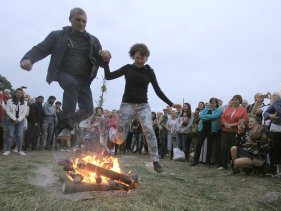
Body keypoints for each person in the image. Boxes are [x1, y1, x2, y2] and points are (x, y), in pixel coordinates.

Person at [20, 7, 111, 140]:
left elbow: (101, 61)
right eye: (78, 20)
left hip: (84, 79)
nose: (81, 23)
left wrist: (105, 56)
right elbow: (41, 48)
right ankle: (67, 126)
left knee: (88, 110)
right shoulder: (57, 36)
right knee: (71, 84)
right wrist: (28, 59)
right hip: (63, 73)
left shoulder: (93, 40)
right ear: (70, 19)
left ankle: (67, 123)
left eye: (84, 21)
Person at [103, 43, 180, 173]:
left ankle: (156, 162)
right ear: (133, 56)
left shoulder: (149, 71)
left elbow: (158, 90)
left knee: (149, 129)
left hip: (143, 106)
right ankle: (112, 139)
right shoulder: (128, 68)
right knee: (120, 139)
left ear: (146, 58)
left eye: (142, 58)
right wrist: (106, 63)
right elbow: (108, 76)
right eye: (137, 58)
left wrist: (171, 104)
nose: (139, 61)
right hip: (127, 105)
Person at [219, 95, 248, 170]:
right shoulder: (228, 108)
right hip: (225, 130)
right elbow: (222, 117)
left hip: (234, 132)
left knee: (233, 149)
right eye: (233, 99)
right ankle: (224, 165)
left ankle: (234, 165)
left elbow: (244, 120)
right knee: (223, 147)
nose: (234, 101)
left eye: (236, 99)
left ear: (240, 101)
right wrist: (225, 124)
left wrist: (231, 125)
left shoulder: (243, 110)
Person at [191, 97, 222, 166]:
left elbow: (215, 116)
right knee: (198, 144)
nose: (211, 104)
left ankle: (208, 162)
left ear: (216, 103)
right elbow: (201, 116)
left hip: (212, 130)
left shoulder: (219, 110)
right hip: (202, 129)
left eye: (213, 103)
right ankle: (195, 161)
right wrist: (210, 116)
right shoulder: (205, 109)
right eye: (211, 103)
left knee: (209, 146)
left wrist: (207, 116)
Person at [3, 88, 28, 156]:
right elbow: (7, 111)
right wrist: (14, 119)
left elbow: (24, 112)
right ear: (15, 93)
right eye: (17, 92)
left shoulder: (25, 102)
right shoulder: (9, 101)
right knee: (10, 135)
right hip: (11, 120)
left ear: (22, 94)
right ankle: (8, 150)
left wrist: (19, 119)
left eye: (20, 93)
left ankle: (20, 150)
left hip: (20, 121)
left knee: (19, 135)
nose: (19, 94)